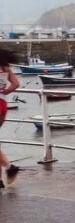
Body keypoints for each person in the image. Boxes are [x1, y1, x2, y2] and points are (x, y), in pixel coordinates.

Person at [0, 49, 21, 189]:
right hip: (2, 104)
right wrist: (6, 91)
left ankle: (9, 166)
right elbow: (16, 84)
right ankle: (1, 178)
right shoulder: (5, 68)